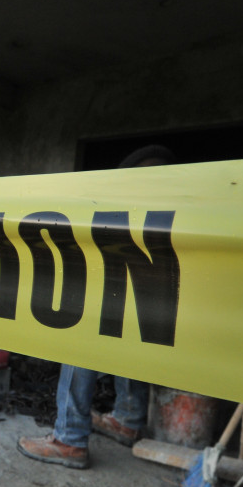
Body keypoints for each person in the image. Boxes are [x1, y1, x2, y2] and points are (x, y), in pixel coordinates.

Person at [17, 145, 176, 469]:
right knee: (127, 335)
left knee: (80, 340)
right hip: (151, 291)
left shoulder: (139, 211)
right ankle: (128, 419)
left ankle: (69, 439)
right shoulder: (168, 208)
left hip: (135, 285)